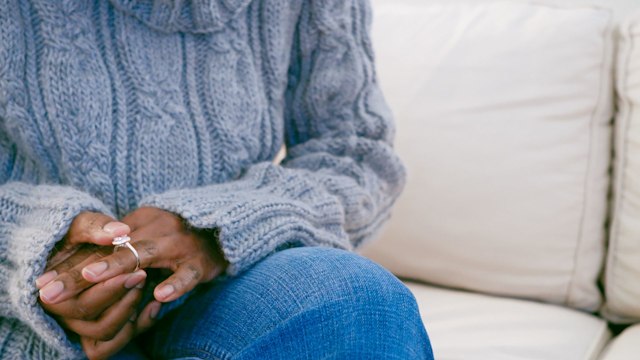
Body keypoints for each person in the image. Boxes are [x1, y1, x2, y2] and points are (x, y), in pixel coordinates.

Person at [0, 0, 434, 359]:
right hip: (20, 311)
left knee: (353, 305)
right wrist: (32, 248)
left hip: (231, 284)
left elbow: (357, 152)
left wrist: (216, 227)